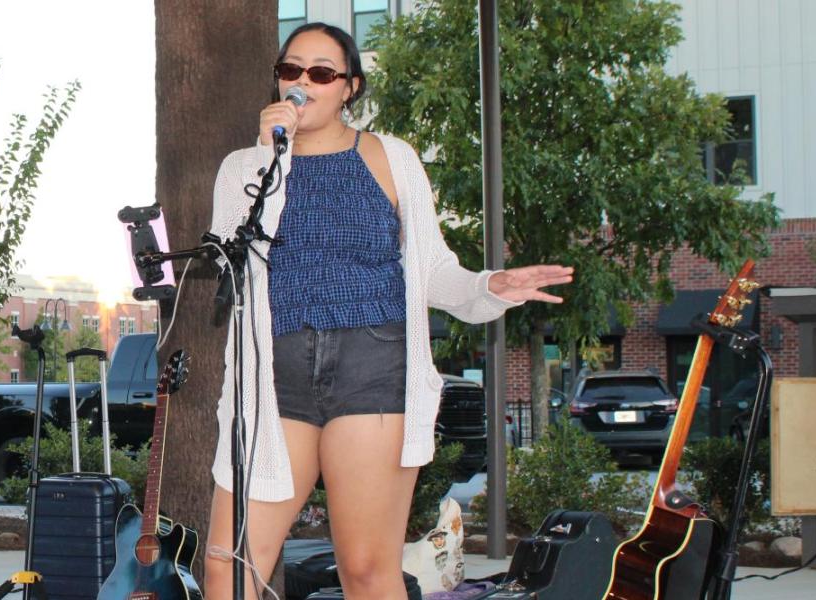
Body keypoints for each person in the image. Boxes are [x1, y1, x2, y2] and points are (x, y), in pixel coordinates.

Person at [202, 23, 573, 600]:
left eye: (321, 73)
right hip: (275, 376)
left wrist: (492, 285)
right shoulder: (244, 166)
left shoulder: (390, 157)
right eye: (291, 70)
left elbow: (433, 270)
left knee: (367, 570)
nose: (303, 83)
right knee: (227, 563)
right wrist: (270, 155)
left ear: (349, 87)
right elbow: (228, 260)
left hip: (370, 367)